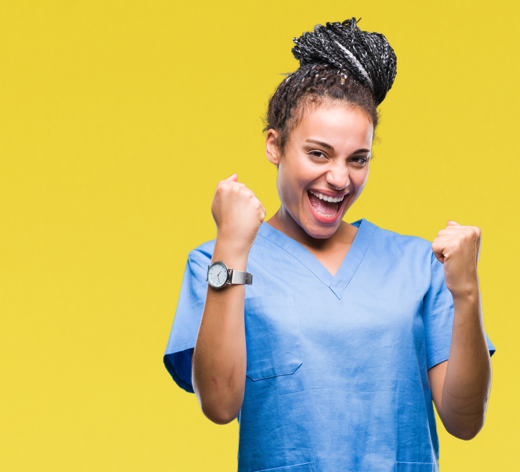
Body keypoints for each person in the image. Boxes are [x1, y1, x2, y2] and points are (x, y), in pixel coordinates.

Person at [163, 18, 496, 472]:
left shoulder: (418, 264)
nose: (340, 179)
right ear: (274, 146)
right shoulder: (216, 261)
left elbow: (464, 420)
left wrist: (467, 293)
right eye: (318, 153)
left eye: (357, 159)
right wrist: (232, 250)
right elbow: (219, 405)